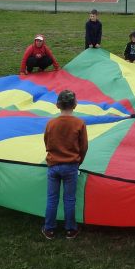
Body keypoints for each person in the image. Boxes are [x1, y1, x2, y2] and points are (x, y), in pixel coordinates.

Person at [42, 90, 88, 240]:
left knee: (52, 198)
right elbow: (84, 146)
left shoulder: (51, 123)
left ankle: (49, 229)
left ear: (57, 105)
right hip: (71, 166)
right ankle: (70, 229)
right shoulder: (79, 123)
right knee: (69, 199)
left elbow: (47, 142)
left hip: (53, 165)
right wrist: (78, 160)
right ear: (75, 104)